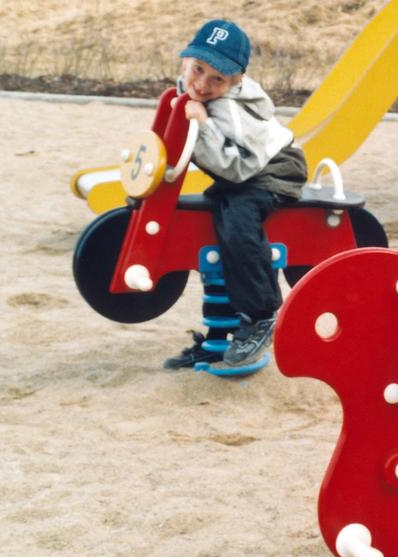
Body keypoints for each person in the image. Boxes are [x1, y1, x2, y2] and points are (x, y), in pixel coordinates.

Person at [162, 19, 307, 370]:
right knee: (211, 224)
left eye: (218, 79)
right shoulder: (189, 89)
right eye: (197, 69)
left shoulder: (229, 112)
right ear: (186, 60)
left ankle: (261, 316)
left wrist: (205, 125)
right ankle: (218, 339)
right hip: (241, 172)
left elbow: (236, 169)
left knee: (238, 223)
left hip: (273, 170)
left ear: (236, 81)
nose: (202, 84)